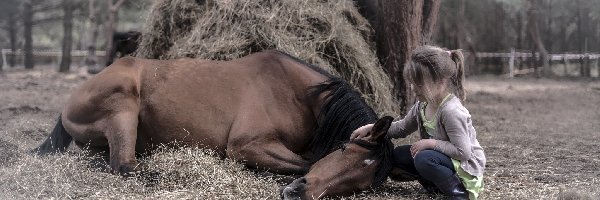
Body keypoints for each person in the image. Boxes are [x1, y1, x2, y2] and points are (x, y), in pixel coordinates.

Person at [351, 45, 485, 200]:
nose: (413, 88)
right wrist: (371, 128)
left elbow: (463, 152)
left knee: (424, 158)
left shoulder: (451, 112)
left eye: (419, 83)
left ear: (440, 80)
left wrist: (431, 144)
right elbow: (400, 128)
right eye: (412, 82)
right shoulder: (422, 105)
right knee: (398, 155)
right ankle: (436, 186)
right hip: (443, 159)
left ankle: (458, 193)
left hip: (465, 168)